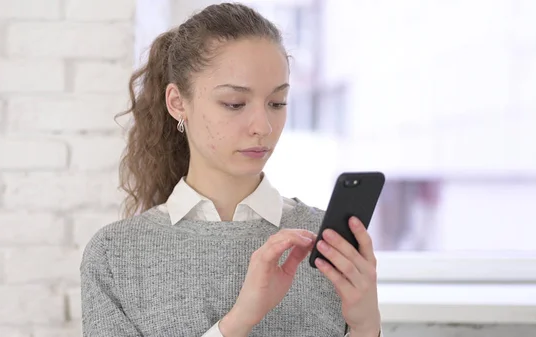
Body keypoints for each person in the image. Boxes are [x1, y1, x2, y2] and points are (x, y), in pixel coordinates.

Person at [81, 3, 383, 336]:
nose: (263, 126)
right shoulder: (116, 255)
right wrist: (239, 320)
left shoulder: (324, 245)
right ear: (178, 103)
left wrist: (366, 326)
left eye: (277, 103)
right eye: (234, 104)